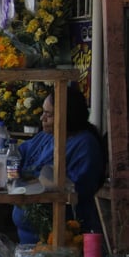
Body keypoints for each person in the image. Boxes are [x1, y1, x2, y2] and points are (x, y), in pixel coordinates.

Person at [13, 85, 107, 243]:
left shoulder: (85, 144)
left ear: (66, 116)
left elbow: (73, 187)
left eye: (48, 114)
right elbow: (17, 155)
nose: (42, 118)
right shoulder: (46, 136)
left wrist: (34, 179)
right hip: (29, 243)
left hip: (64, 241)